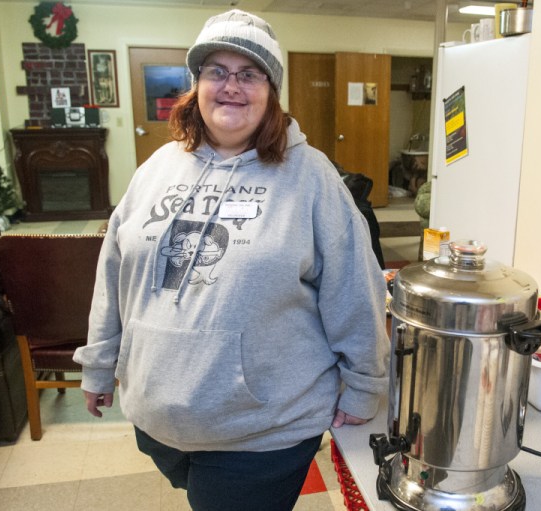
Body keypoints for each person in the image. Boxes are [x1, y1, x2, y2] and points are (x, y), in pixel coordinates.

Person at [73, 9, 389, 511]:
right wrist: (98, 362)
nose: (231, 86)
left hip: (261, 429)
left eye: (249, 73)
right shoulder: (159, 166)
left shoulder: (310, 176)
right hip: (158, 417)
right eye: (216, 71)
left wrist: (365, 384)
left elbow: (355, 285)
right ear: (196, 83)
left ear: (272, 90)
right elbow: (115, 272)